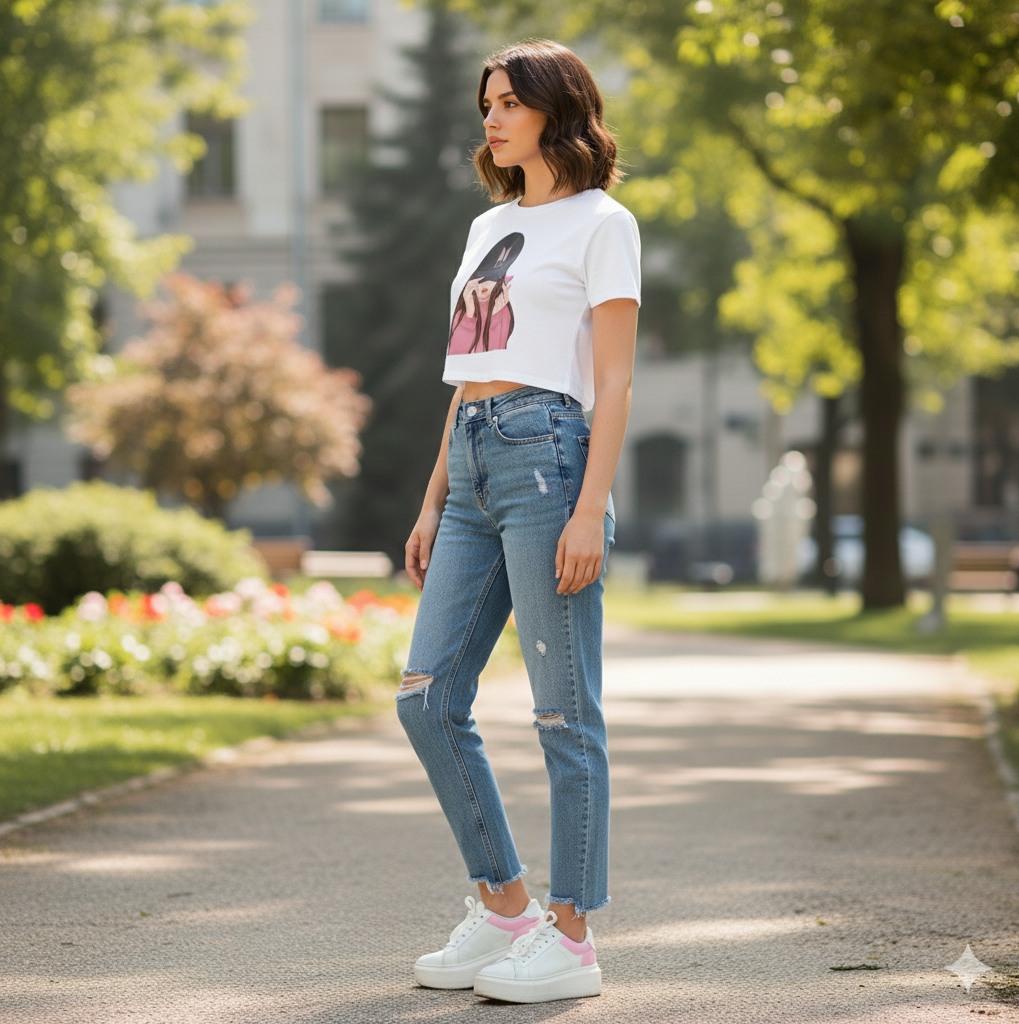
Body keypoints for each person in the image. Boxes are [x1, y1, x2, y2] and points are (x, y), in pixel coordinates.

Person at [396, 38, 641, 1004]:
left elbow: (616, 378)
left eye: (508, 103)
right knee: (426, 697)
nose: (490, 119)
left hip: (550, 462)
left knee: (562, 710)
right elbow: (464, 372)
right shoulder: (485, 226)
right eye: (486, 103)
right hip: (473, 459)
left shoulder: (602, 222)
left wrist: (591, 508)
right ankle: (504, 908)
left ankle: (572, 935)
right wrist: (433, 496)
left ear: (555, 112)